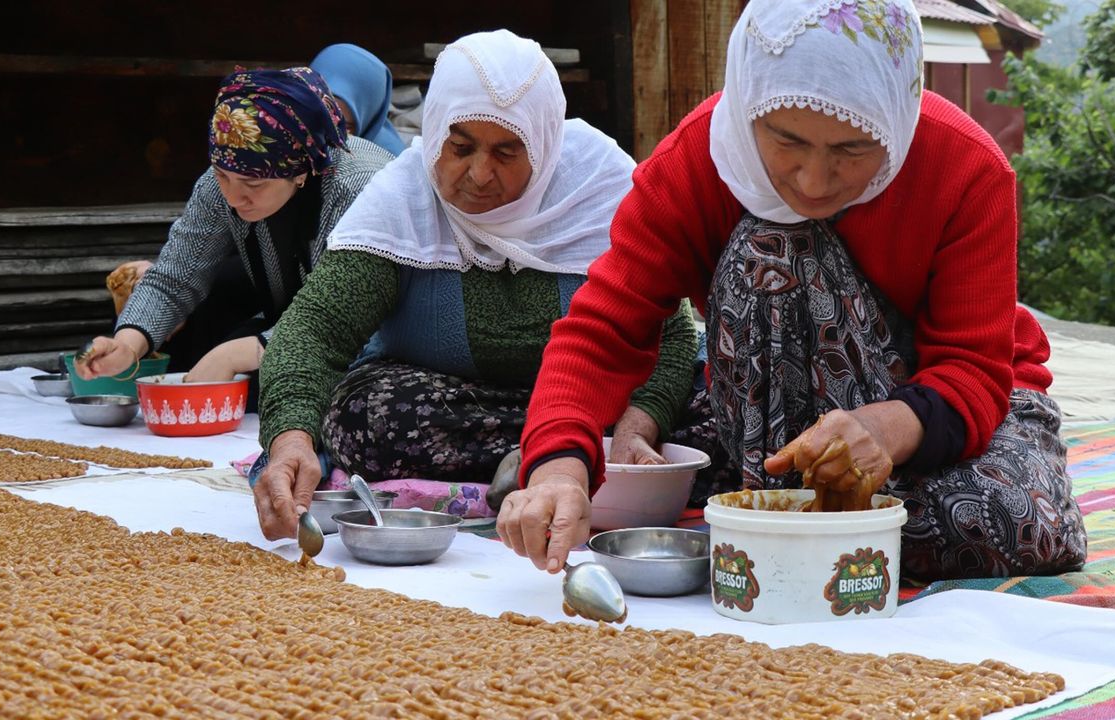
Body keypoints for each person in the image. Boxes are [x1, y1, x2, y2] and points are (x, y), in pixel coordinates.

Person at [499, 0, 1088, 581]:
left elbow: (972, 369)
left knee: (1011, 525)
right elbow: (603, 330)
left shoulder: (966, 166)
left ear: (895, 118)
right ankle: (786, 499)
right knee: (772, 243)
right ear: (748, 105)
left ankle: (776, 513)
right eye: (787, 141)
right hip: (777, 422)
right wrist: (558, 472)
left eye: (852, 149)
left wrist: (880, 430)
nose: (814, 180)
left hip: (943, 417)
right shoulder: (698, 160)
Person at [252, 30, 697, 540]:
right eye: (460, 147)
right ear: (435, 131)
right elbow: (313, 332)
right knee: (367, 415)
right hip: (452, 407)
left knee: (722, 417)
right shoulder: (402, 201)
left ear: (544, 144)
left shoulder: (601, 190)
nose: (480, 174)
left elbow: (672, 334)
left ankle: (560, 458)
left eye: (507, 152)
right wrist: (290, 442)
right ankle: (552, 461)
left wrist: (637, 429)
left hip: (594, 410)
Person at [75, 67, 395, 400]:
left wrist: (234, 355)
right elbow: (175, 276)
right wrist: (127, 345)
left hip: (375, 340)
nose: (233, 197)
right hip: (291, 328)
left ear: (300, 171)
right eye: (222, 176)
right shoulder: (226, 178)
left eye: (253, 184)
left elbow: (345, 315)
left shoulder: (358, 188)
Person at [310, 43, 408, 156]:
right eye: (318, 117)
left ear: (368, 120)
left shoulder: (387, 162)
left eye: (344, 127)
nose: (326, 134)